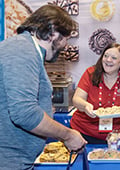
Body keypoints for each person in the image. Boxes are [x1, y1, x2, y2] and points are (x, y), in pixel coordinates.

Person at [0, 4, 87, 170]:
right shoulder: (22, 50)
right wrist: (67, 135)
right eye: (65, 38)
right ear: (53, 32)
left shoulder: (25, 49)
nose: (65, 45)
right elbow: (24, 113)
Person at [70, 43, 120, 144]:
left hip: (115, 136)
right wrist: (85, 106)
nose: (108, 60)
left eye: (114, 58)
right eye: (106, 56)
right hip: (83, 133)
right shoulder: (90, 73)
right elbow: (76, 100)